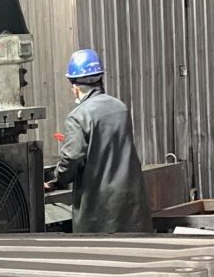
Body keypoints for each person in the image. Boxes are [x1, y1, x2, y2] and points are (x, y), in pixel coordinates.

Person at [45, 49, 152, 234]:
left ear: (75, 87)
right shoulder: (121, 108)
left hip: (99, 208)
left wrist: (55, 181)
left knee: (99, 250)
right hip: (131, 201)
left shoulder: (78, 117)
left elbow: (72, 158)